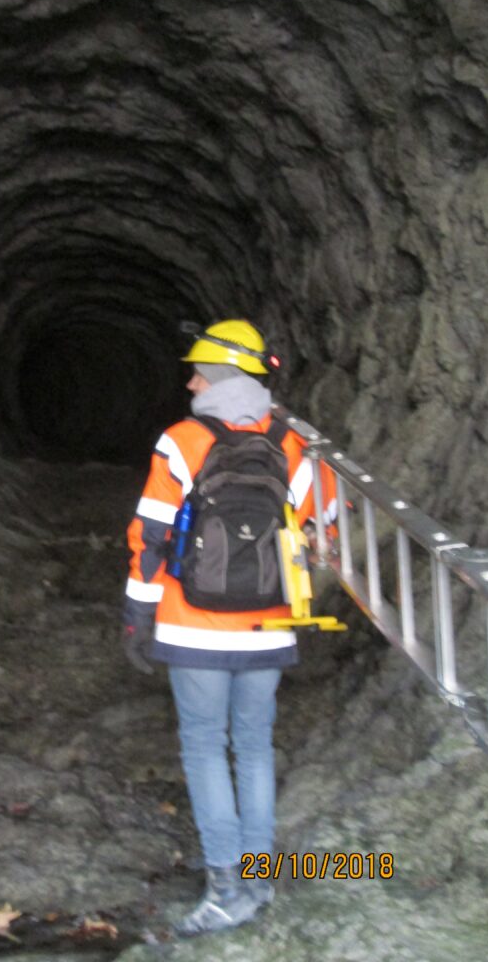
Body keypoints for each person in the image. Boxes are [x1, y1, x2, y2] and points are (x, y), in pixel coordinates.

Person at [122, 319, 337, 937]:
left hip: (193, 624)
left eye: (198, 371)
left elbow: (151, 538)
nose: (189, 380)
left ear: (219, 376)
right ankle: (258, 874)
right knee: (253, 746)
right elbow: (327, 518)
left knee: (203, 746)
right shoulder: (290, 442)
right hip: (269, 624)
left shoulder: (182, 440)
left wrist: (138, 613)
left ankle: (224, 886)